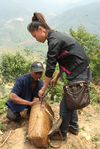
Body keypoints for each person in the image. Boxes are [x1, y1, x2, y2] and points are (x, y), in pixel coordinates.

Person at [27, 12, 92, 140]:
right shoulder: (55, 37)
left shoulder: (54, 41)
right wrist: (56, 77)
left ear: (41, 29)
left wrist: (43, 88)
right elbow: (64, 59)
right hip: (77, 71)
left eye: (35, 36)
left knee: (66, 104)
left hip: (80, 72)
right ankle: (74, 127)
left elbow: (50, 66)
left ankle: (62, 133)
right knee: (71, 101)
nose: (36, 39)